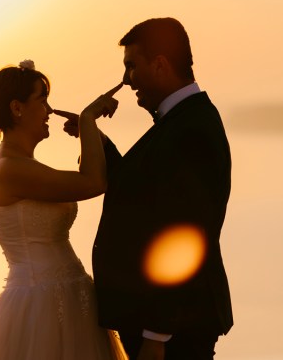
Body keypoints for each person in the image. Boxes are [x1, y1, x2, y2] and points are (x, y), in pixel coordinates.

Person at [0, 60, 127, 360]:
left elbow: (89, 179)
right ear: (17, 108)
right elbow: (93, 182)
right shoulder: (8, 169)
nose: (50, 110)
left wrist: (90, 134)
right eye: (42, 100)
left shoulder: (26, 165)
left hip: (76, 301)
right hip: (37, 309)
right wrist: (88, 119)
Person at [88, 18, 233, 359]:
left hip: (173, 332)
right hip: (159, 325)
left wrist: (156, 335)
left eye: (131, 66)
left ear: (160, 65)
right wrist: (95, 140)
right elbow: (142, 191)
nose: (126, 80)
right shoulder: (180, 121)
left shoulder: (192, 129)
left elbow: (185, 234)